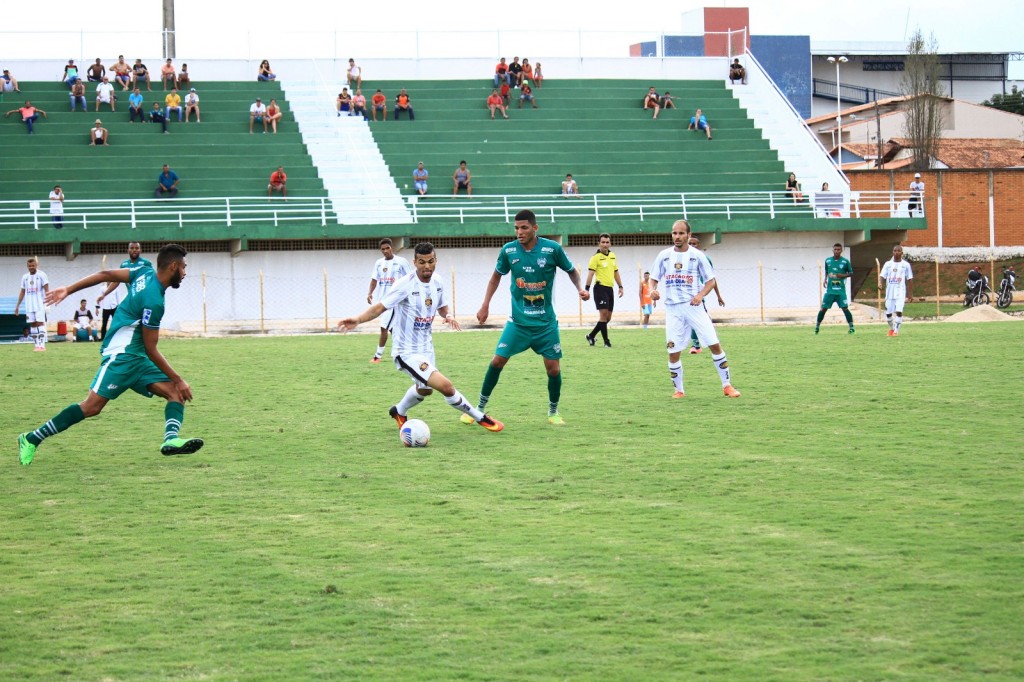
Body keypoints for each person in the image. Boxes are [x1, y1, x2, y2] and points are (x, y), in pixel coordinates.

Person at [17, 244, 205, 466]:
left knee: (175, 393)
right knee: (91, 407)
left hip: (135, 357)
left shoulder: (143, 273)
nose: (184, 273)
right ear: (173, 266)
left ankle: (171, 439)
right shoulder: (154, 301)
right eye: (183, 267)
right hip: (123, 356)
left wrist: (69, 289)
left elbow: (105, 275)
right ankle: (30, 438)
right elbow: (151, 349)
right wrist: (179, 378)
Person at [339, 242, 504, 434]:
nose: (427, 266)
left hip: (426, 348)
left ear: (436, 260)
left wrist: (448, 315)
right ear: (414, 262)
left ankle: (399, 411)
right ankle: (480, 417)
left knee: (425, 389)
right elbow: (380, 307)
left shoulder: (438, 282)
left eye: (431, 261)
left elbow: (442, 306)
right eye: (422, 262)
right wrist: (358, 319)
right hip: (406, 351)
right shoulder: (404, 284)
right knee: (447, 387)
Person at [463, 209, 590, 426]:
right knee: (497, 361)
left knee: (554, 369)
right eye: (516, 228)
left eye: (524, 228)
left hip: (545, 324)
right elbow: (495, 278)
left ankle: (553, 412)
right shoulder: (509, 250)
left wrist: (581, 288)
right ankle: (478, 409)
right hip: (518, 323)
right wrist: (485, 305)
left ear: (535, 228)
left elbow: (572, 270)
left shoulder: (552, 249)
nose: (519, 232)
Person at [649, 219, 741, 398]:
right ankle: (679, 390)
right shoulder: (664, 255)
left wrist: (700, 296)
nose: (677, 236)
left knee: (714, 344)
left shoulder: (697, 255)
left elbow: (710, 280)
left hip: (693, 307)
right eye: (675, 233)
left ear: (688, 235)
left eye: (681, 233)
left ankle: (727, 386)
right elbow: (653, 277)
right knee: (673, 351)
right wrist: (653, 290)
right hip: (673, 309)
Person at [366, 238, 412, 363]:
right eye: (383, 249)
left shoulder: (401, 262)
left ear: (392, 248)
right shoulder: (379, 263)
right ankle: (404, 350)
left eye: (387, 248)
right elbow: (374, 279)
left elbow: (411, 279)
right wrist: (370, 293)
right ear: (380, 250)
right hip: (383, 301)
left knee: (383, 327)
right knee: (393, 329)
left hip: (395, 301)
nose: (385, 251)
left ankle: (377, 356)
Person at [97, 242, 152, 337]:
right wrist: (104, 294)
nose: (134, 250)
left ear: (140, 250)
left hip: (143, 299)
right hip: (131, 299)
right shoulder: (124, 265)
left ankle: (146, 340)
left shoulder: (146, 264)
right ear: (128, 250)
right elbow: (116, 281)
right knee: (124, 319)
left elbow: (151, 280)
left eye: (136, 248)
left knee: (144, 322)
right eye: (132, 248)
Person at [685, 234, 725, 354]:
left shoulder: (705, 259)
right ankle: (697, 344)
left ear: (699, 245)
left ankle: (697, 345)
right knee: (694, 319)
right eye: (690, 243)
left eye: (694, 243)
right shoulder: (683, 259)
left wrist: (718, 296)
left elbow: (712, 279)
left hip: (699, 293)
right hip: (687, 294)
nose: (692, 245)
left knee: (698, 318)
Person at [584, 233, 624, 347]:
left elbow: (616, 272)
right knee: (603, 315)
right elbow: (590, 274)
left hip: (609, 289)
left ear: (610, 243)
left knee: (608, 318)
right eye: (603, 242)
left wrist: (620, 286)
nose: (605, 244)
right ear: (599, 243)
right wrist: (586, 289)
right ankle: (607, 342)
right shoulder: (595, 258)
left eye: (607, 242)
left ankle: (591, 336)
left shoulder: (613, 256)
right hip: (600, 288)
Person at [815, 243, 855, 334]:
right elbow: (826, 271)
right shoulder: (828, 260)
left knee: (845, 308)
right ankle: (817, 327)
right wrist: (825, 279)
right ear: (833, 250)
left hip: (840, 291)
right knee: (823, 308)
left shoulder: (845, 261)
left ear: (841, 251)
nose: (837, 251)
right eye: (835, 249)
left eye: (838, 249)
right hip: (830, 291)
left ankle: (851, 328)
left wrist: (842, 275)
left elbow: (851, 273)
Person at [15, 257, 50, 352]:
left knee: (40, 323)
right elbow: (22, 291)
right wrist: (17, 305)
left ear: (36, 265)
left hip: (40, 304)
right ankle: (37, 345)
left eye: (33, 265)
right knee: (33, 324)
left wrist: (48, 303)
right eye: (29, 266)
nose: (31, 267)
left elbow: (47, 290)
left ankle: (42, 345)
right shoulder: (25, 277)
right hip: (29, 305)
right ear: (27, 266)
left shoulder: (42, 275)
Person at [879, 244, 913, 336]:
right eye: (895, 251)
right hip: (890, 292)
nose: (896, 252)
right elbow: (882, 275)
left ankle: (896, 331)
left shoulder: (906, 265)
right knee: (888, 314)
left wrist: (910, 294)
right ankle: (892, 329)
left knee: (899, 311)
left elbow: (909, 279)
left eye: (898, 251)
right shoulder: (888, 264)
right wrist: (880, 283)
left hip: (900, 292)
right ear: (892, 252)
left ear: (902, 253)